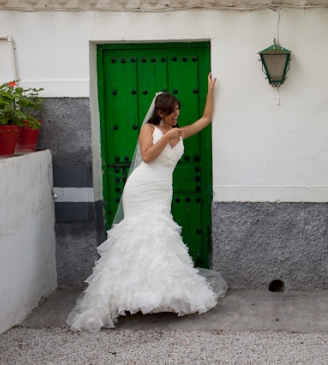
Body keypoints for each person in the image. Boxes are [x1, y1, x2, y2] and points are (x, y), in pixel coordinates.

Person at [67, 73, 226, 332]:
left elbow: (206, 119)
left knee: (160, 236)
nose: (177, 116)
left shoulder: (179, 131)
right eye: (173, 112)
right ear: (161, 113)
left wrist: (210, 90)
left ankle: (159, 296)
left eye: (178, 111)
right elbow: (148, 157)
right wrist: (165, 137)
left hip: (162, 190)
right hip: (141, 189)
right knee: (138, 237)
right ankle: (122, 297)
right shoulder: (149, 129)